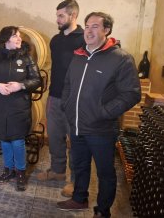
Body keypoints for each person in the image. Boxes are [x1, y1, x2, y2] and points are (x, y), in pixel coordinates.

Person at [57, 12, 141, 217]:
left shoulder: (120, 59)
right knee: (80, 165)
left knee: (105, 173)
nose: (89, 30)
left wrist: (104, 113)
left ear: (106, 30)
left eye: (95, 26)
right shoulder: (78, 55)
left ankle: (102, 211)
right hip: (77, 125)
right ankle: (79, 199)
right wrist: (67, 107)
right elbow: (67, 85)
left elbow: (132, 93)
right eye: (87, 26)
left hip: (102, 129)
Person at [0, 26, 42, 191]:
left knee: (17, 140)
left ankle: (20, 172)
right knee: (4, 139)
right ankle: (8, 170)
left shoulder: (26, 57)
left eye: (19, 36)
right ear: (5, 39)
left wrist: (21, 85)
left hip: (18, 107)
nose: (19, 39)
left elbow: (37, 80)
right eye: (16, 36)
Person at [36, 0, 85, 197]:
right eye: (57, 15)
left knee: (74, 140)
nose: (57, 19)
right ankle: (57, 171)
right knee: (55, 137)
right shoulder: (55, 40)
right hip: (54, 96)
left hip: (75, 99)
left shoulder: (83, 39)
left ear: (73, 16)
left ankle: (74, 180)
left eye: (61, 16)